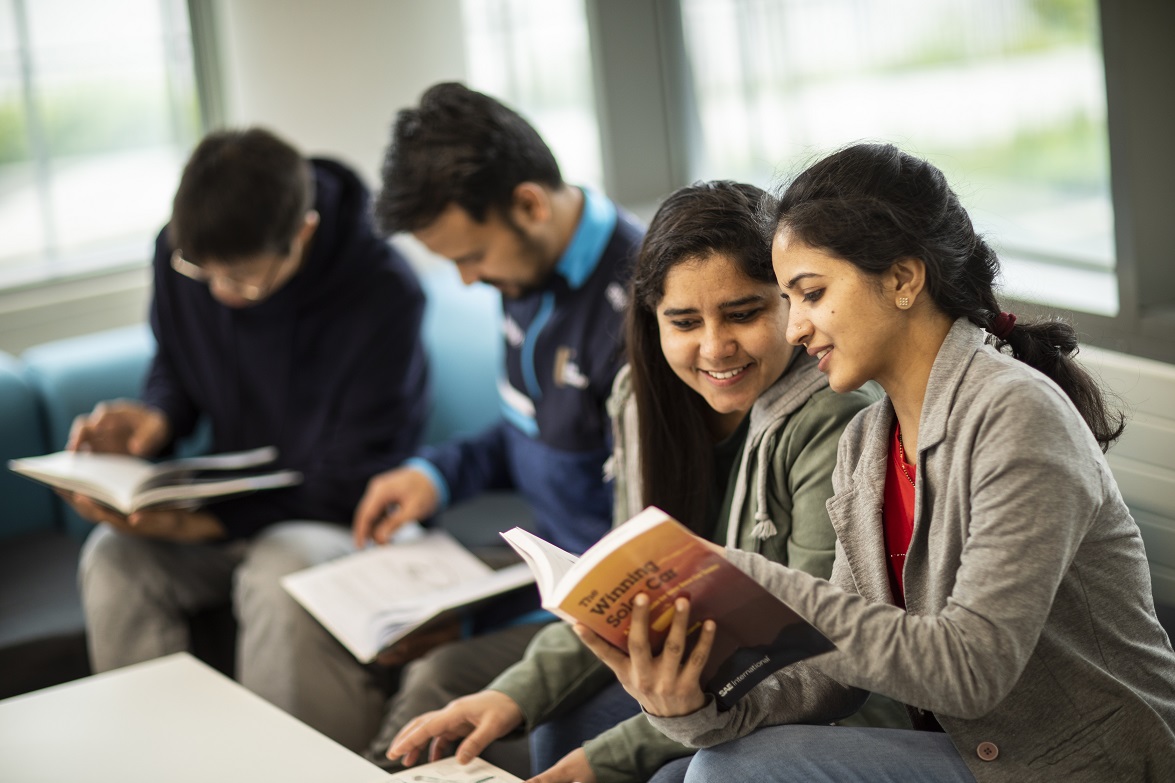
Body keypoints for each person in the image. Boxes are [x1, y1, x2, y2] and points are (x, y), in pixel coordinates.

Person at [574, 143, 1175, 782]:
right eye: (788, 300)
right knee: (709, 762)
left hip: (1081, 764)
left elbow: (971, 670)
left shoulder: (1017, 416)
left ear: (902, 279)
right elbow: (829, 677)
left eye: (810, 294)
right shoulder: (868, 443)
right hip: (976, 756)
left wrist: (745, 580)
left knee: (720, 777)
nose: (795, 328)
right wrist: (691, 706)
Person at [382, 180, 894, 783]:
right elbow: (626, 605)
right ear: (652, 321)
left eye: (744, 312)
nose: (715, 347)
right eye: (684, 321)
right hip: (690, 673)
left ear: (791, 303)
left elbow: (812, 655)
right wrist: (512, 697)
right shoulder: (640, 401)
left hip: (811, 702)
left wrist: (604, 761)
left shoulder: (834, 418)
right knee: (553, 721)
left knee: (666, 773)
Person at [71, 127, 430, 751]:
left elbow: (353, 476)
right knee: (113, 557)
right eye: (200, 271)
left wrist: (199, 526)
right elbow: (177, 363)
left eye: (241, 278)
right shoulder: (187, 250)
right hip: (232, 502)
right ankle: (152, 762)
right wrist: (156, 418)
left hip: (343, 512)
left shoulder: (384, 292)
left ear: (304, 233)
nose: (218, 293)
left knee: (279, 572)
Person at [351, 82, 645, 772]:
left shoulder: (642, 308)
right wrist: (436, 473)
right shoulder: (522, 277)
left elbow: (645, 538)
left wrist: (481, 620)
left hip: (595, 596)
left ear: (528, 204)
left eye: (469, 256)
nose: (464, 280)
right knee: (361, 630)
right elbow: (532, 425)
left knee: (436, 678)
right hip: (532, 566)